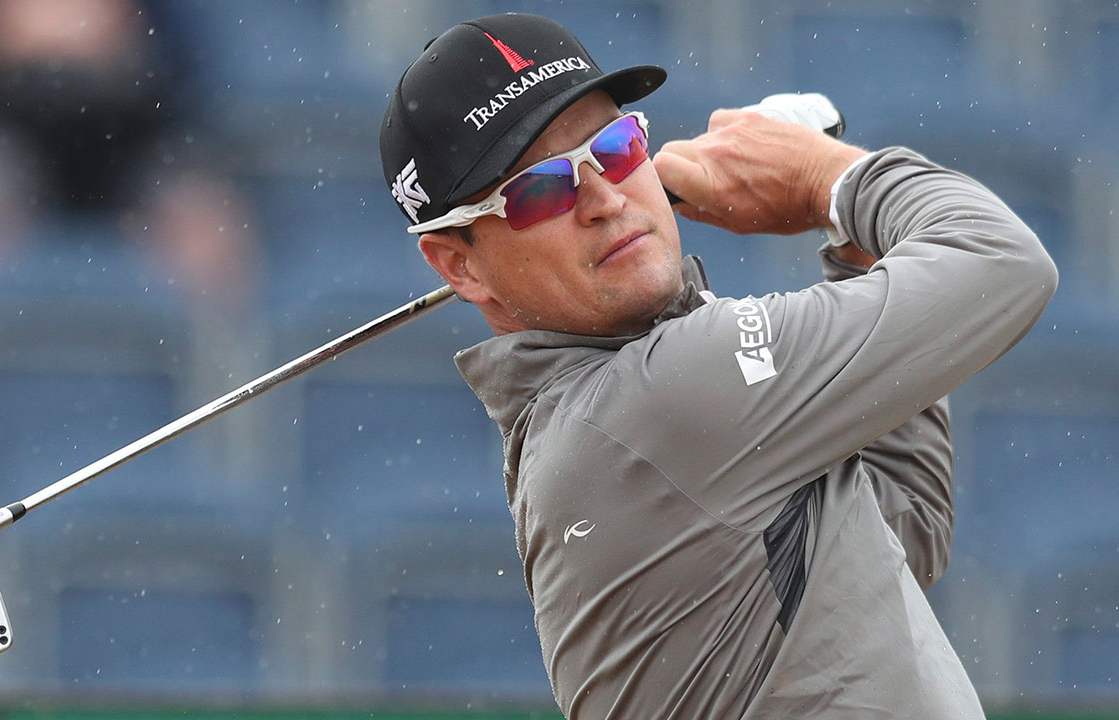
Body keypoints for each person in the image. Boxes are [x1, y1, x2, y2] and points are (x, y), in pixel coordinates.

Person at [379, 13, 1056, 719]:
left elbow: (897, 531)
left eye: (615, 148)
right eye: (538, 191)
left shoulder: (627, 414)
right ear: (460, 265)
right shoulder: (656, 399)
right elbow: (1002, 263)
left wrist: (853, 240)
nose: (605, 198)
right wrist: (827, 177)